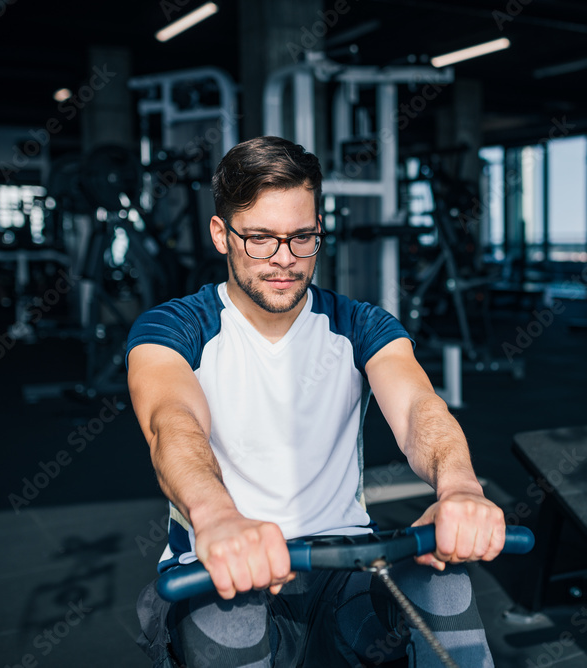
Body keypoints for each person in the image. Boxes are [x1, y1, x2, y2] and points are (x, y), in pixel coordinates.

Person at [129, 135, 506, 668]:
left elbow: (421, 408)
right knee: (226, 616)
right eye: (260, 239)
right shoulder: (174, 328)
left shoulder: (359, 325)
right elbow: (172, 422)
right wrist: (216, 518)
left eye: (301, 238)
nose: (284, 260)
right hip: (228, 560)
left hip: (343, 568)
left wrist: (461, 488)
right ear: (221, 234)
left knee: (443, 585)